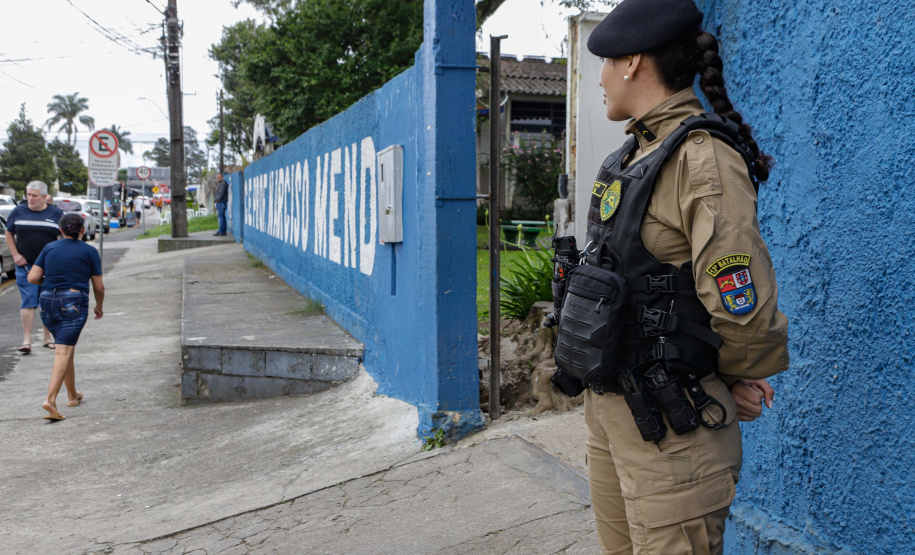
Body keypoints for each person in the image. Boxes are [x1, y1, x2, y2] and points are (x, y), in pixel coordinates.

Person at [564, 1, 790, 552]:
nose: (599, 77)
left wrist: (734, 376)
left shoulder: (701, 159)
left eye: (606, 60)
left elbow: (743, 301)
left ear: (633, 61)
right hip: (613, 412)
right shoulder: (634, 154)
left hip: (673, 430)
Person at [28, 214, 104, 421]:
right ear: (82, 231)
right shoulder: (89, 251)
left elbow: (33, 277)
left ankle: (72, 395)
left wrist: (52, 282)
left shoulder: (49, 248)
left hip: (46, 302)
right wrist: (99, 306)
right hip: (73, 301)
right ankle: (50, 400)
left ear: (61, 231)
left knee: (65, 347)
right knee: (63, 351)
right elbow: (99, 286)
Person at [4, 181, 63, 353]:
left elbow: (64, 237)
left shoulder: (56, 213)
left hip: (49, 266)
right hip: (26, 265)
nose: (30, 198)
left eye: (35, 196)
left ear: (44, 197)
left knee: (48, 302)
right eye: (28, 195)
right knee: (28, 300)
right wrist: (15, 254)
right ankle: (26, 340)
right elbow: (9, 233)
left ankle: (47, 338)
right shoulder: (18, 211)